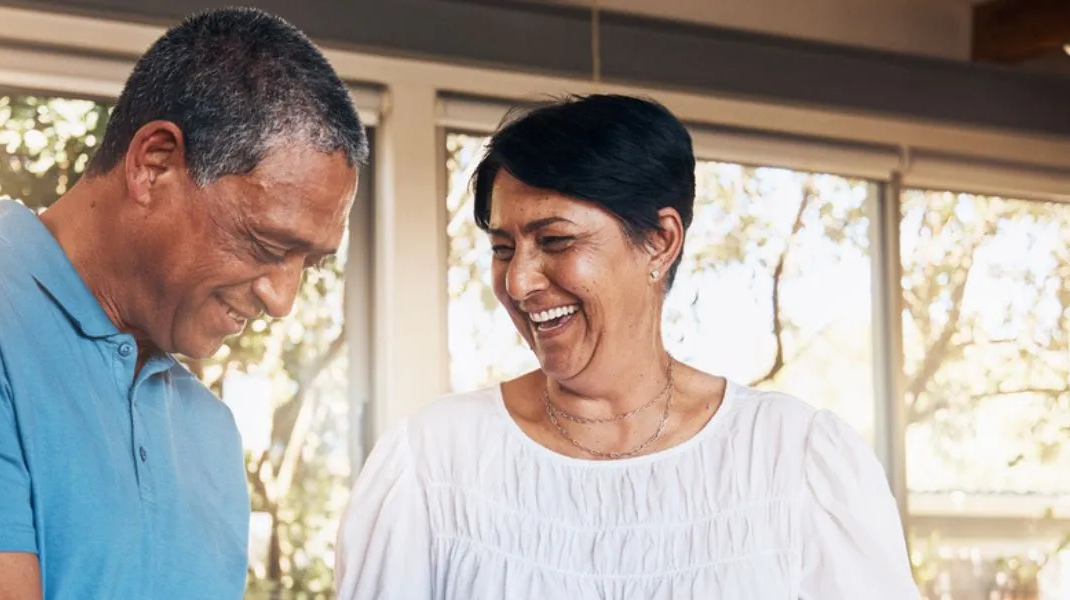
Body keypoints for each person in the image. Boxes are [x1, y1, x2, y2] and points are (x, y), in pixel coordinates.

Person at [0, 8, 367, 600]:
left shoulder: (207, 431)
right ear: (154, 164)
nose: (282, 299)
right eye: (266, 243)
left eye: (307, 264)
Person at [335, 95, 916, 599]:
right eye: (504, 248)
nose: (518, 282)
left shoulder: (796, 459)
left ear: (660, 242)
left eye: (555, 240)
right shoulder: (433, 461)